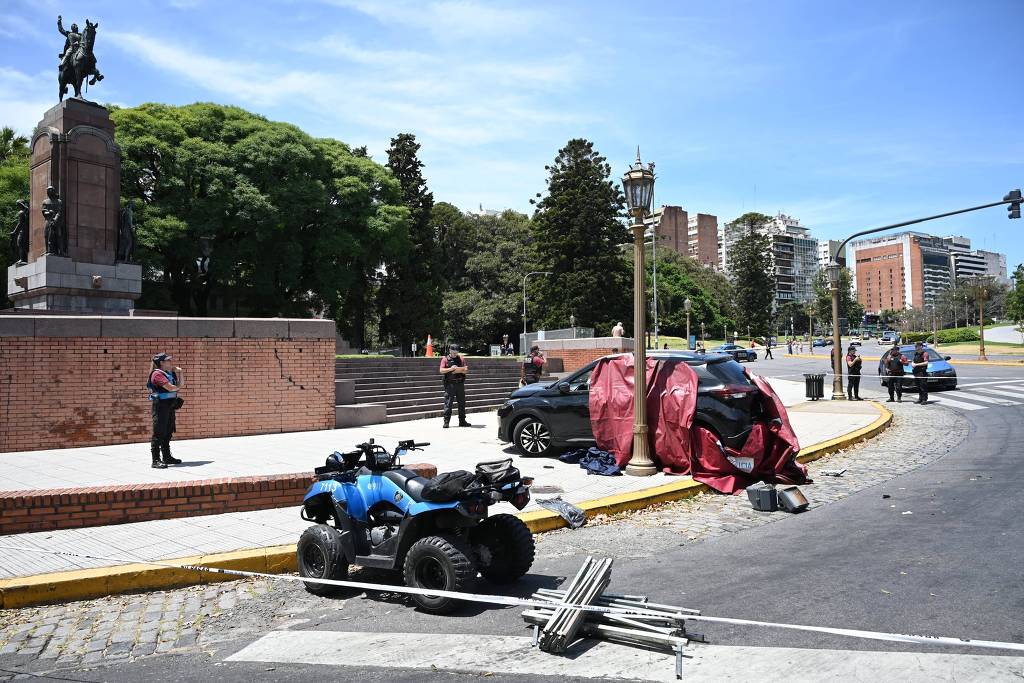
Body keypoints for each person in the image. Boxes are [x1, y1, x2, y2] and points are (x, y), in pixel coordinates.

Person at [148, 353, 184, 469]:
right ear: (162, 363)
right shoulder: (157, 374)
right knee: (159, 432)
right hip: (160, 406)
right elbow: (171, 388)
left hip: (170, 405)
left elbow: (179, 385)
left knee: (168, 431)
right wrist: (177, 387)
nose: (170, 362)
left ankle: (167, 457)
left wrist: (180, 372)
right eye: (168, 360)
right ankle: (156, 460)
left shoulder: (170, 373)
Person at [439, 344, 471, 428]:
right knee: (448, 403)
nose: (455, 354)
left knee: (462, 403)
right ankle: (446, 422)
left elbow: (466, 370)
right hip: (450, 384)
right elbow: (441, 370)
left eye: (456, 352)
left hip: (460, 384)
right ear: (450, 351)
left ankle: (462, 421)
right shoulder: (445, 359)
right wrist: (451, 369)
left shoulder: (461, 358)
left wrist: (462, 370)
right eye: (453, 352)